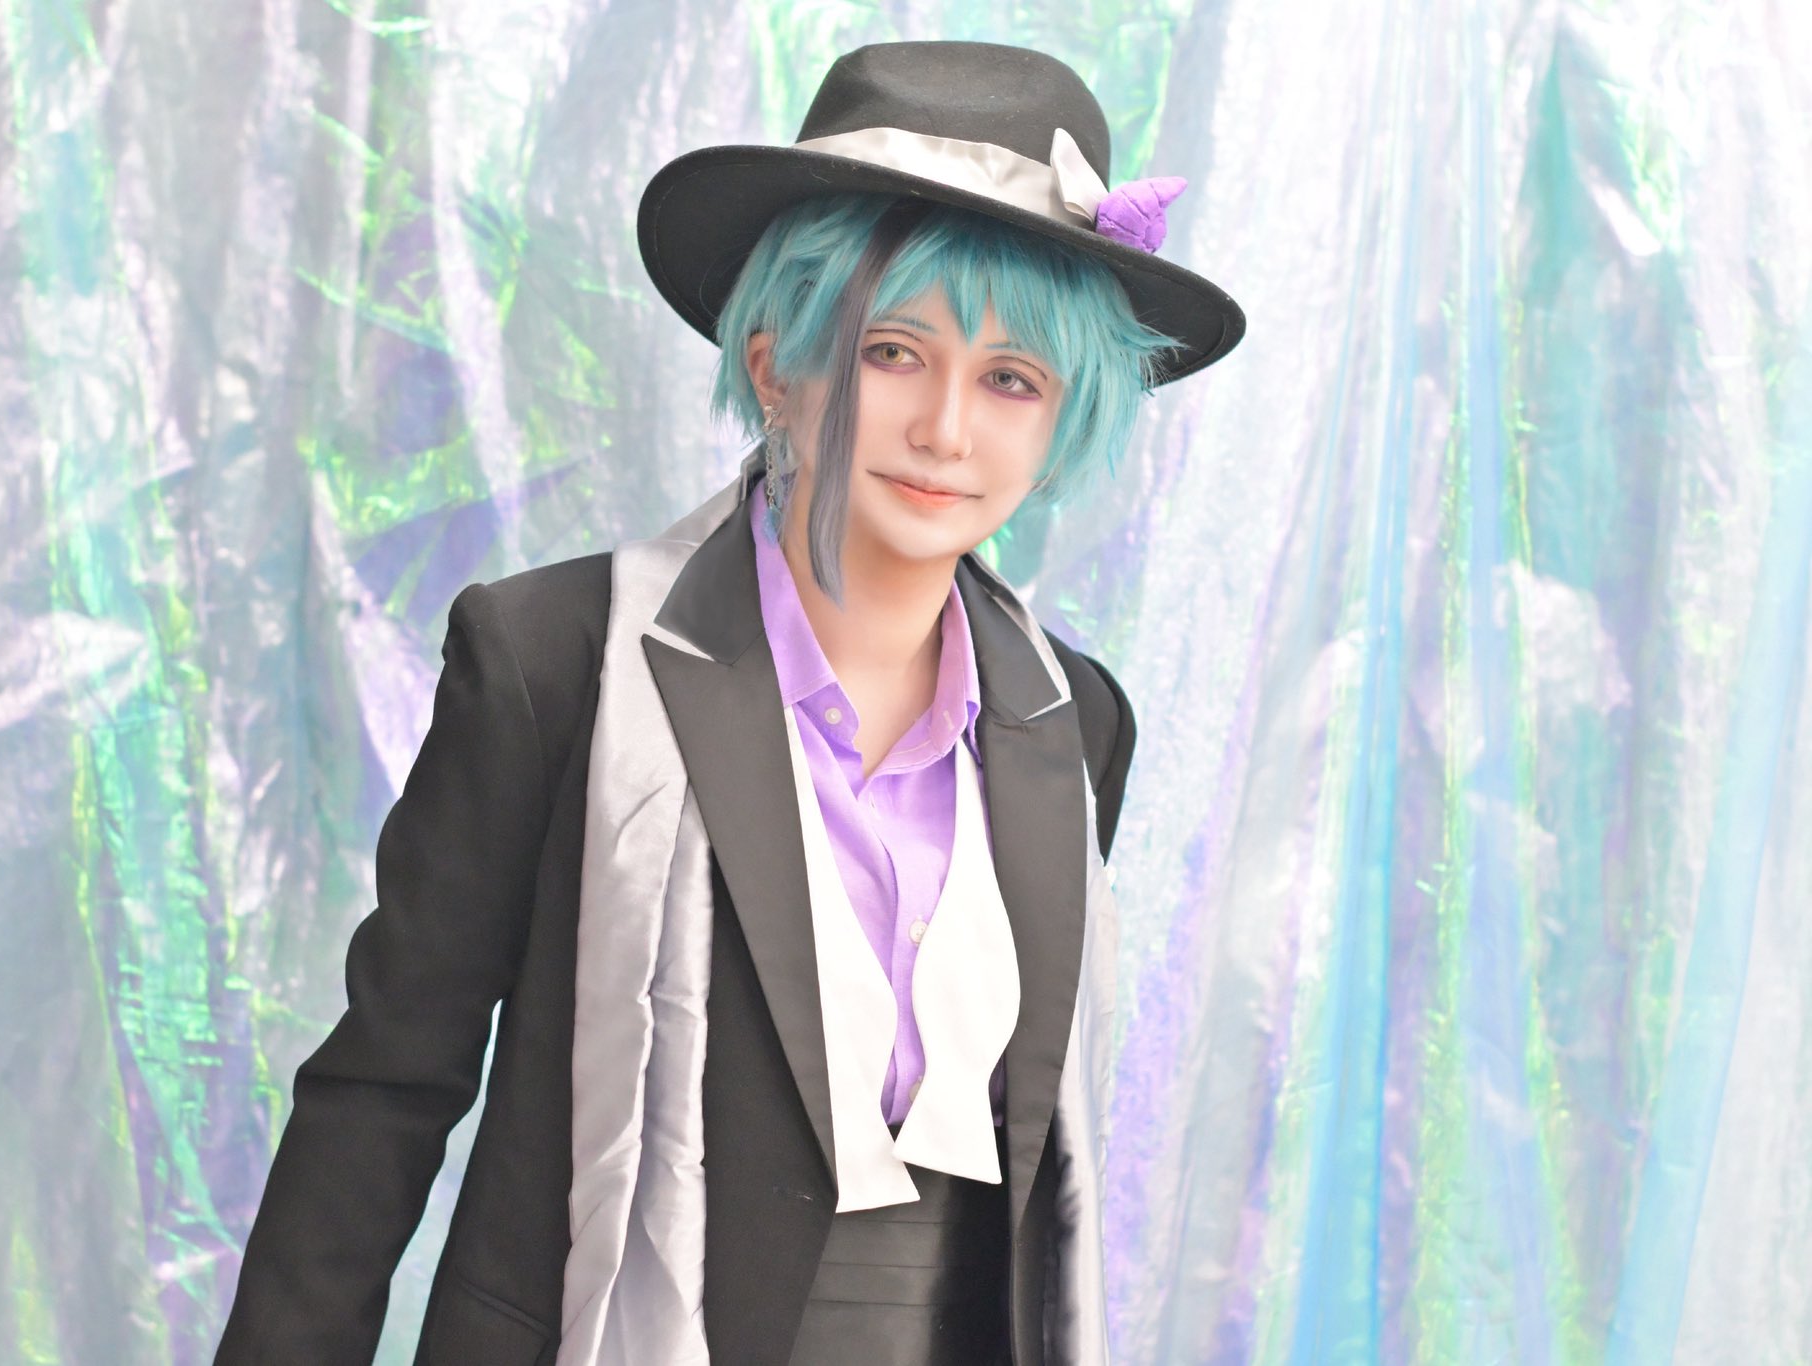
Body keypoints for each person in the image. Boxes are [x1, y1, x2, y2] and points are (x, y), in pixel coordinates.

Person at [217, 39, 1243, 1366]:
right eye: (892, 350)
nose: (947, 428)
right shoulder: (556, 664)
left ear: (1059, 423)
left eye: (1012, 379)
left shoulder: (1076, 721)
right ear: (776, 363)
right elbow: (384, 1092)